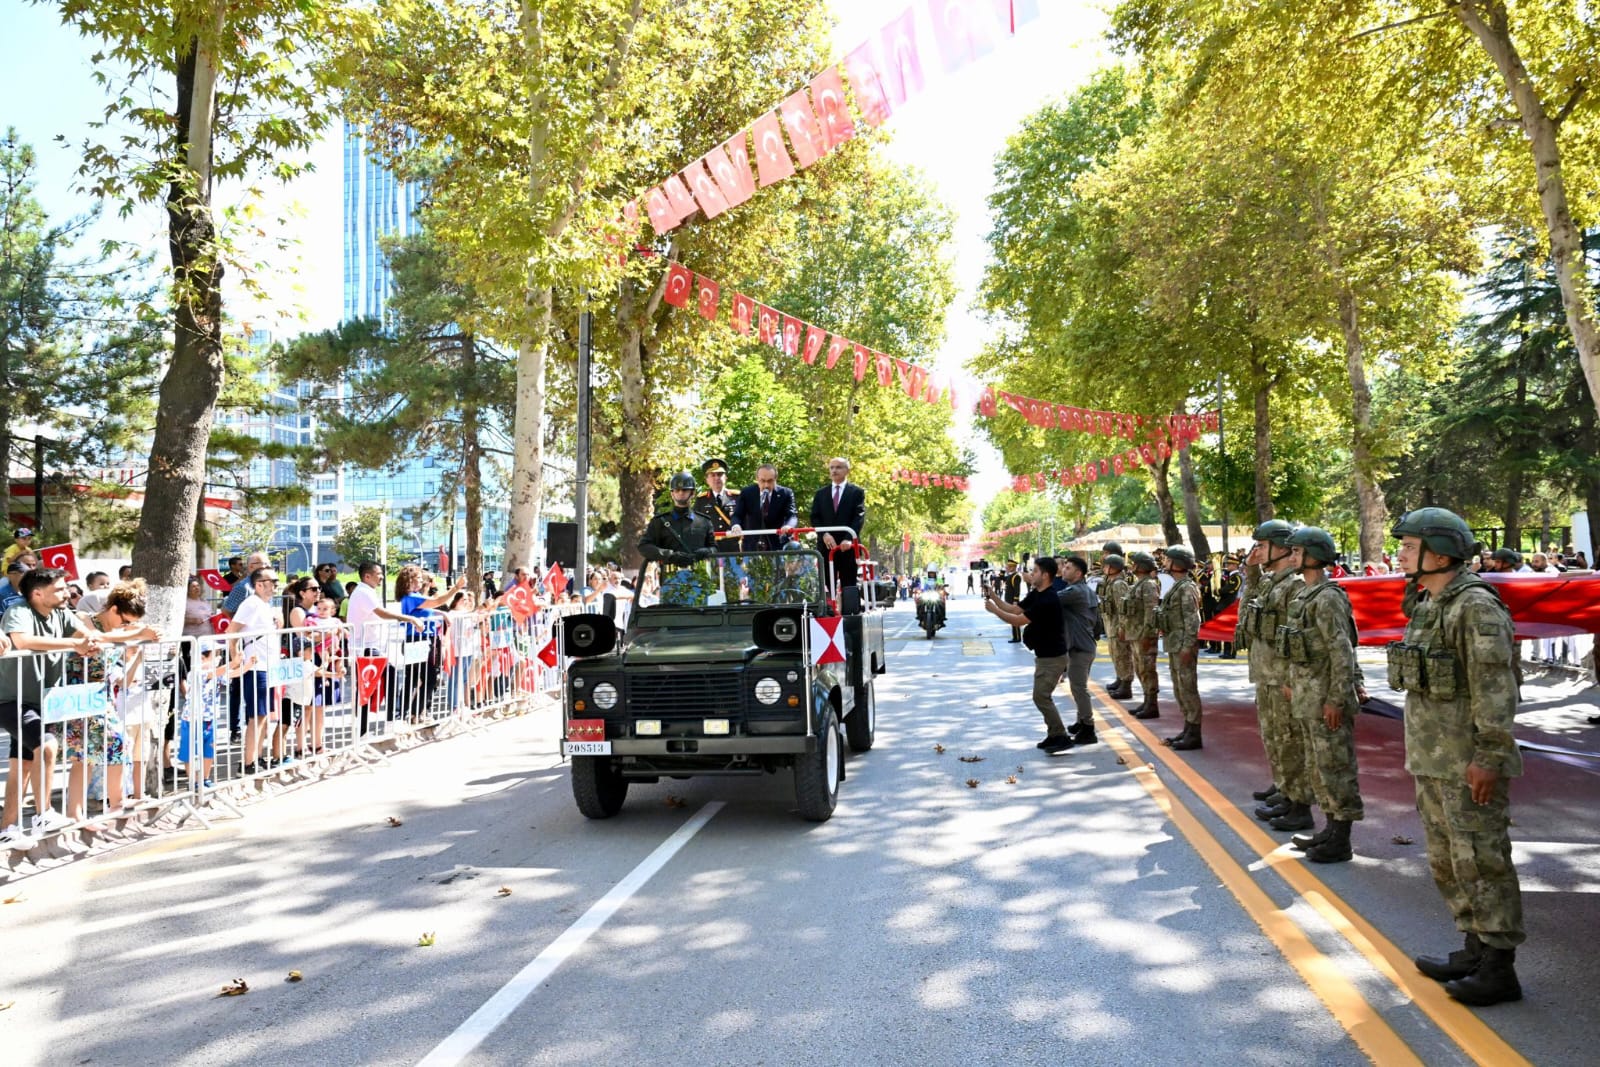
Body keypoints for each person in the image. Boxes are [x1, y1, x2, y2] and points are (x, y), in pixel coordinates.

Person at [1386, 508, 1529, 1005]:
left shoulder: (1475, 607)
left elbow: (1497, 688)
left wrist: (1489, 754)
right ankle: (1473, 947)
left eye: (1409, 544)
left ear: (1440, 552)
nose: (1401, 552)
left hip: (1467, 758)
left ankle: (1499, 968)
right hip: (1433, 756)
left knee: (1483, 861)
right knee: (1449, 861)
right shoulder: (1430, 602)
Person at [1280, 527, 1366, 863]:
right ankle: (1329, 829)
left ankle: (1341, 839)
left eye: (1298, 552)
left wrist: (1336, 699)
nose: (1293, 557)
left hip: (1324, 697)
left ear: (1314, 555)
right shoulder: (1307, 594)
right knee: (1318, 766)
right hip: (1307, 694)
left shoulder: (1328, 597)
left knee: (1336, 766)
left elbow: (1341, 652)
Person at [1, 568, 92, 847]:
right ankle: (43, 815)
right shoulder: (19, 610)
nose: (67, 593)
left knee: (24, 763)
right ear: (38, 593)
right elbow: (22, 641)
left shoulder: (62, 613)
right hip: (8, 698)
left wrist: (89, 639)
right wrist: (75, 643)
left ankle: (8, 828)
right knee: (47, 746)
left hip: (39, 699)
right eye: (60, 589)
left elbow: (86, 634)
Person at [1240, 520, 1316, 832]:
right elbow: (1247, 615)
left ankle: (1299, 804)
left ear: (1281, 548)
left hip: (1281, 675)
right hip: (1266, 673)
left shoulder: (1294, 585)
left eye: (1261, 545)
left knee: (1290, 741)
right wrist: (1252, 571)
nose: (1255, 550)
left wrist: (1291, 679)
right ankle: (1286, 790)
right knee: (1274, 738)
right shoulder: (1274, 582)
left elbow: (1296, 638)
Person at [983, 555, 1073, 753]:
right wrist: (995, 598)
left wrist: (994, 611)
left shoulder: (1048, 599)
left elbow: (1018, 620)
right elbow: (1015, 608)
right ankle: (1054, 734)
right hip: (1044, 655)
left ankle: (1060, 736)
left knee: (1041, 697)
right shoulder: (1037, 593)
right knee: (1041, 696)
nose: (1030, 574)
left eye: (1035, 572)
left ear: (1046, 575)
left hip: (1052, 657)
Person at [226, 567, 282, 774]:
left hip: (268, 665)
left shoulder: (265, 605)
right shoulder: (250, 604)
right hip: (256, 667)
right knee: (255, 716)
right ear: (259, 584)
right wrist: (235, 657)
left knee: (264, 715)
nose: (276, 585)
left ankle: (257, 757)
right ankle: (249, 761)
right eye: (272, 581)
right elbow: (232, 630)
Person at [1159, 546, 1204, 749]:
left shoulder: (1186, 587)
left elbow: (1192, 620)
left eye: (1168, 560)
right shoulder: (1178, 586)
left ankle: (1194, 733)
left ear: (1178, 563)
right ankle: (1187, 728)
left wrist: (1187, 647)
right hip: (1175, 642)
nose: (1165, 563)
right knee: (1179, 688)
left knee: (1187, 688)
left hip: (1182, 644)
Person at [1056, 556, 1099, 746]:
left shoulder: (1074, 592)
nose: (1063, 570)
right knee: (1077, 687)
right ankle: (1081, 721)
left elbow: (1051, 600)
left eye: (1068, 567)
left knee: (1079, 689)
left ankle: (1088, 728)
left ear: (1079, 573)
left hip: (1080, 647)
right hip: (1085, 645)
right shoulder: (1085, 590)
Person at [809, 457, 867, 588]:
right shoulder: (820, 494)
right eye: (832, 467)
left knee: (849, 586)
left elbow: (859, 516)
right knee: (827, 587)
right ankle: (829, 609)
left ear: (847, 471)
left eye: (838, 467)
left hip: (848, 547)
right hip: (826, 547)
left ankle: (850, 609)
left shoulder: (856, 492)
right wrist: (824, 534)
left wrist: (849, 538)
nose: (834, 470)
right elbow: (815, 517)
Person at [642, 471, 718, 565]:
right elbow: (644, 546)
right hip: (669, 577)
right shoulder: (659, 522)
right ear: (672, 494)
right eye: (677, 490)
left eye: (685, 490)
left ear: (692, 493)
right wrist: (669, 555)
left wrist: (706, 551)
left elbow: (714, 548)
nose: (681, 493)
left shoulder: (704, 521)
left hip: (699, 576)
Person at [1123, 552, 1163, 719]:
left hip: (1143, 634)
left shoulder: (1148, 585)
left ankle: (1152, 704)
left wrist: (1149, 633)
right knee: (1141, 669)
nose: (1131, 566)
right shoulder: (1140, 584)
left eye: (1134, 563)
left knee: (1147, 669)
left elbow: (1150, 611)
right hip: (1136, 633)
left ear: (1141, 566)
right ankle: (1147, 701)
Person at [729, 464, 798, 551]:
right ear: (757, 479)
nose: (766, 485)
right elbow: (737, 515)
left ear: (775, 479)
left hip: (777, 544)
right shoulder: (747, 493)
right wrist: (736, 525)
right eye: (762, 481)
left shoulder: (786, 493)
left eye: (770, 481)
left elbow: (792, 515)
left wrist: (788, 526)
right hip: (753, 545)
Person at [1100, 554, 1135, 699]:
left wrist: (1122, 627)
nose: (1104, 568)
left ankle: (1126, 685)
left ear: (1113, 568)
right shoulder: (1110, 582)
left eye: (1106, 566)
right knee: (1116, 654)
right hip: (1111, 625)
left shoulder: (1119, 584)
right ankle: (1120, 679)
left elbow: (1123, 608)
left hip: (1117, 626)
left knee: (1123, 655)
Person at [694, 458, 740, 550]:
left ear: (726, 477)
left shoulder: (737, 497)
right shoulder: (701, 500)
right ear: (707, 480)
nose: (716, 478)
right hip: (711, 547)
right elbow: (696, 524)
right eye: (712, 475)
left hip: (734, 546)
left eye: (719, 474)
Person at [1000, 559, 1024, 643]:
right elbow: (1001, 578)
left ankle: (1017, 637)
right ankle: (1015, 637)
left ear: (1012, 568)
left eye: (1007, 567)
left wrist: (1015, 601)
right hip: (1009, 601)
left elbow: (1017, 590)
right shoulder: (1010, 576)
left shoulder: (1016, 576)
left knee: (1014, 620)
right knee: (1012, 620)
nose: (1006, 568)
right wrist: (1002, 570)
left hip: (1013, 602)